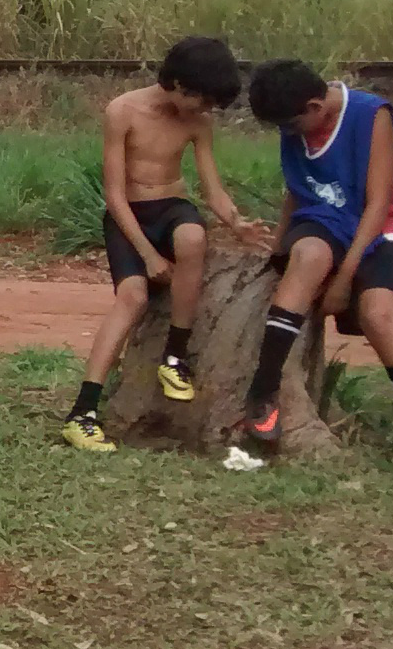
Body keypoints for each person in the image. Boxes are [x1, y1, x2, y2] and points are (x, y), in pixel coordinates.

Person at [245, 60, 393, 471]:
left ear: (316, 105)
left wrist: (344, 279)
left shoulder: (371, 115)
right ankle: (262, 392)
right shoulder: (296, 122)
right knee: (308, 256)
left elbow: (378, 203)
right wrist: (277, 245)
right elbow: (296, 189)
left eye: (290, 124)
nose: (287, 133)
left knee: (378, 316)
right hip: (322, 218)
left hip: (377, 224)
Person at [63, 36, 263, 452]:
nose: (206, 110)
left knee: (193, 236)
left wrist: (236, 221)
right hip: (128, 217)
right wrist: (149, 255)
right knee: (132, 299)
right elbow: (115, 196)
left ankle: (175, 358)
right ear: (177, 84)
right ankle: (82, 413)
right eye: (202, 100)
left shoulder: (197, 123)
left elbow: (212, 189)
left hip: (173, 207)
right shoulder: (122, 111)